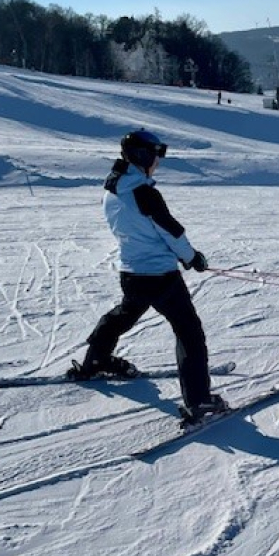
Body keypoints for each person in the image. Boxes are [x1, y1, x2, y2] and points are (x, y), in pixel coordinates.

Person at [69, 129, 226, 424]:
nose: (158, 162)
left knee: (124, 314)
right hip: (160, 276)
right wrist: (191, 257)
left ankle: (96, 359)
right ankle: (199, 400)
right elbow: (171, 232)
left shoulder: (113, 190)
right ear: (142, 156)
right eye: (156, 155)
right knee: (189, 332)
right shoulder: (144, 193)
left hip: (132, 273)